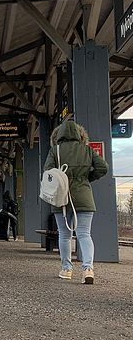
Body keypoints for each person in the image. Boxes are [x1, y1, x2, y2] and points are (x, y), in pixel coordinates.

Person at [43, 120, 108, 284]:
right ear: (80, 135)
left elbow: (47, 172)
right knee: (84, 235)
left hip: (61, 198)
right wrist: (86, 179)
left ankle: (66, 269)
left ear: (58, 135)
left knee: (64, 236)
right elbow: (103, 168)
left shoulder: (55, 150)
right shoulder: (87, 150)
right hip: (84, 197)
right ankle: (88, 269)